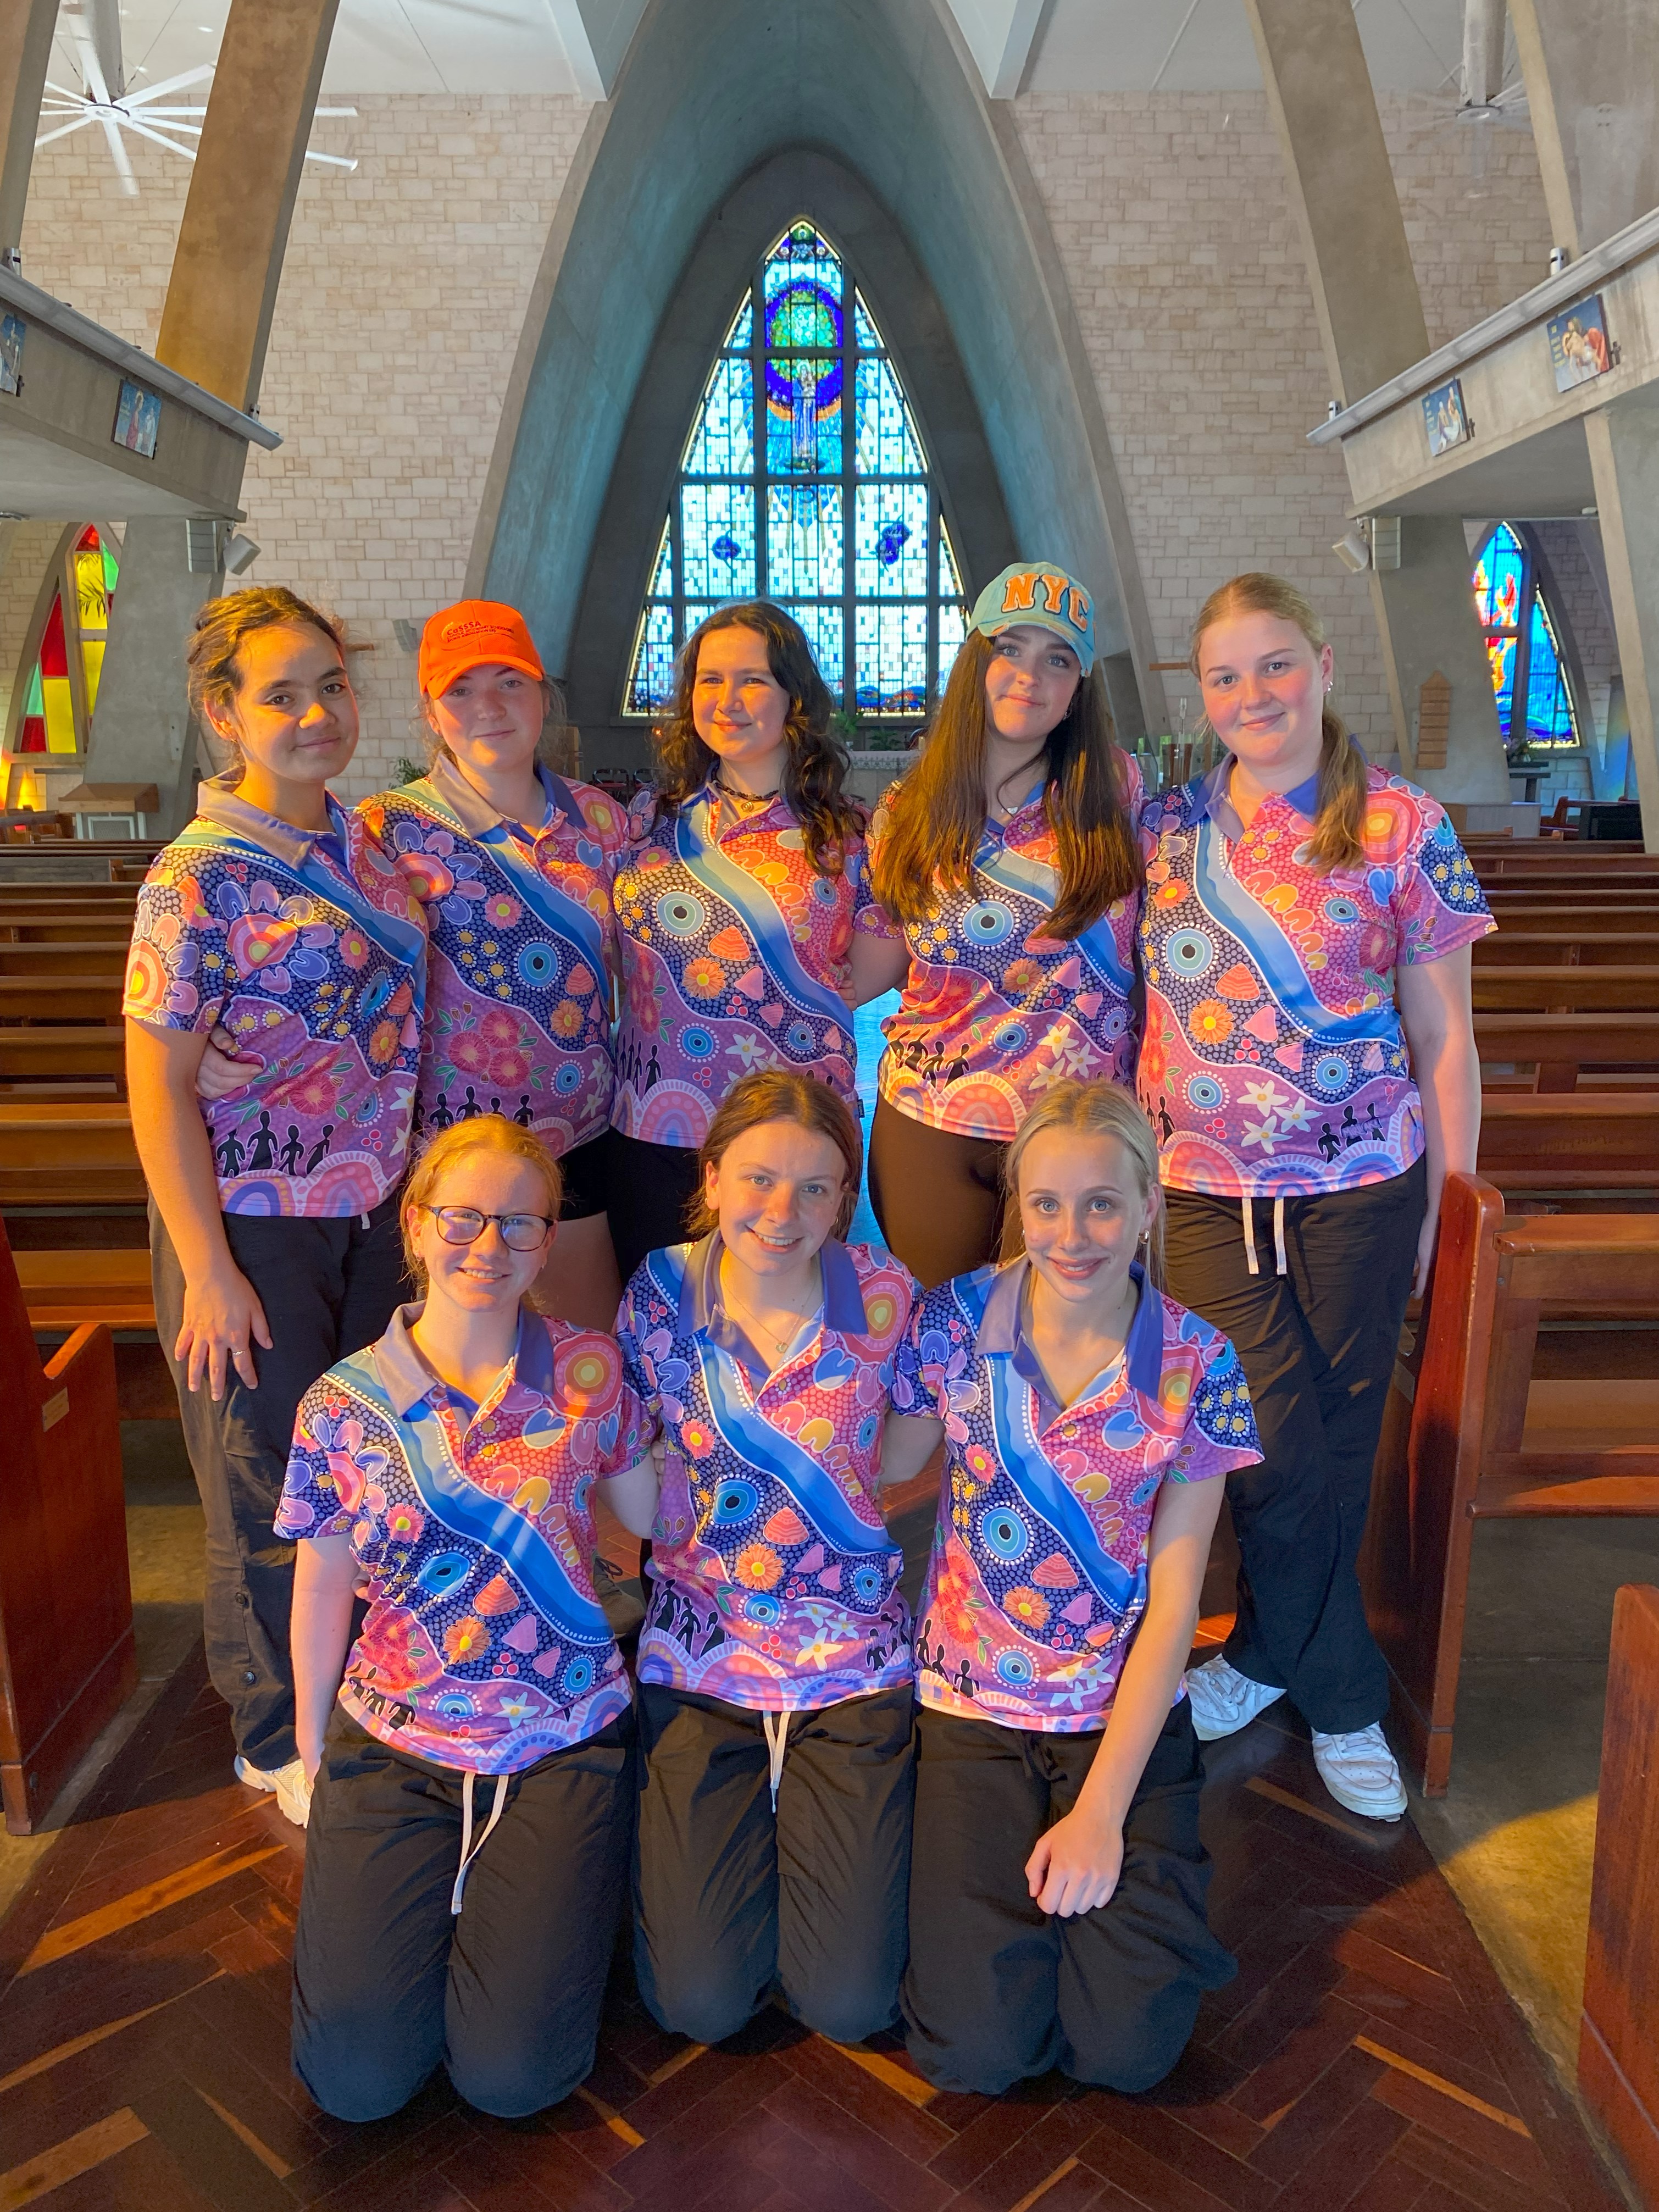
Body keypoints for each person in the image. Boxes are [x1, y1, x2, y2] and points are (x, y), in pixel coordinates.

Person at [1140, 571, 1492, 1820]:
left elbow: (1443, 1035)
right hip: (1202, 1191)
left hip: (1359, 1189)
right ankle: (1341, 1693)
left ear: (1324, 665)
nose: (1253, 694)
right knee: (1264, 1445)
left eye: (1275, 664)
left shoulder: (1399, 822)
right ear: (1202, 693)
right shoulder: (1169, 829)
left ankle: (1257, 1657)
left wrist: (1452, 1209)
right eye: (1227, 675)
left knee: (1334, 1452)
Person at [881, 1079, 1259, 2094]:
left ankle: (1113, 1900)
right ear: (1016, 1204)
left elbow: (1176, 1604)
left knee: (1127, 2053)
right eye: (1045, 1204)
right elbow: (877, 1463)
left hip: (1115, 1709)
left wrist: (1099, 1812)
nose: (1071, 1232)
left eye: (1101, 1203)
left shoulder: (1197, 1361)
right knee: (972, 2053)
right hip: (968, 1703)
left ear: (1147, 1208)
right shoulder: (952, 1322)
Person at [280, 1116, 656, 2120]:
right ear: (414, 1225)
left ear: (544, 1241)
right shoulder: (340, 1405)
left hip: (559, 1738)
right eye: (464, 1218)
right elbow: (321, 1582)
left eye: (520, 1225)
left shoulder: (590, 1374)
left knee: (514, 2080)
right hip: (394, 1738)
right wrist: (314, 1742)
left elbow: (656, 1517)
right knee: (353, 2083)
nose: (489, 1247)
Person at [123, 587, 427, 1825]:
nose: (316, 714)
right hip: (248, 1219)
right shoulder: (194, 878)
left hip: (371, 1206)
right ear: (223, 712)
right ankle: (270, 1730)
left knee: (360, 1456)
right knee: (266, 1471)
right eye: (281, 694)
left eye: (332, 687)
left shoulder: (362, 842)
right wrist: (207, 1263)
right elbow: (157, 1085)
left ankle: (346, 1684)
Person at [198, 600, 628, 1329]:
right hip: (442, 1161)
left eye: (510, 682)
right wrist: (213, 1034)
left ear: (543, 694)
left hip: (576, 1141)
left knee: (581, 1372)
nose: (487, 707)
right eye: (459, 689)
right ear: (429, 710)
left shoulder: (605, 823)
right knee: (452, 1392)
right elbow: (298, 945)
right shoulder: (381, 831)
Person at [615, 1071, 919, 2045]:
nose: (781, 1213)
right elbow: (629, 1473)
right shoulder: (658, 1291)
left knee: (849, 2005)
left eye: (815, 1188)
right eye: (756, 1180)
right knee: (696, 2004)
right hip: (699, 1665)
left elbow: (904, 1459)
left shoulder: (884, 1296)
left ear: (844, 1196)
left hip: (851, 1669)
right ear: (709, 1177)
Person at [863, 562, 1144, 1288]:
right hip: (931, 1111)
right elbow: (877, 960)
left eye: (1057, 658)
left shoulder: (1116, 795)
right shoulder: (906, 810)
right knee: (937, 1343)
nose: (1030, 674)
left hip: (1071, 1123)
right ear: (974, 661)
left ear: (1078, 686)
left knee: (1054, 1351)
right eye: (1008, 648)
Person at [606, 602, 892, 1283]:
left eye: (753, 680)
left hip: (794, 1137)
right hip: (658, 1122)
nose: (727, 701)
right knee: (661, 1325)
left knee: (794, 1326)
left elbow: (872, 969)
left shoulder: (848, 835)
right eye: (709, 680)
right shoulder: (644, 823)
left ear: (795, 695)